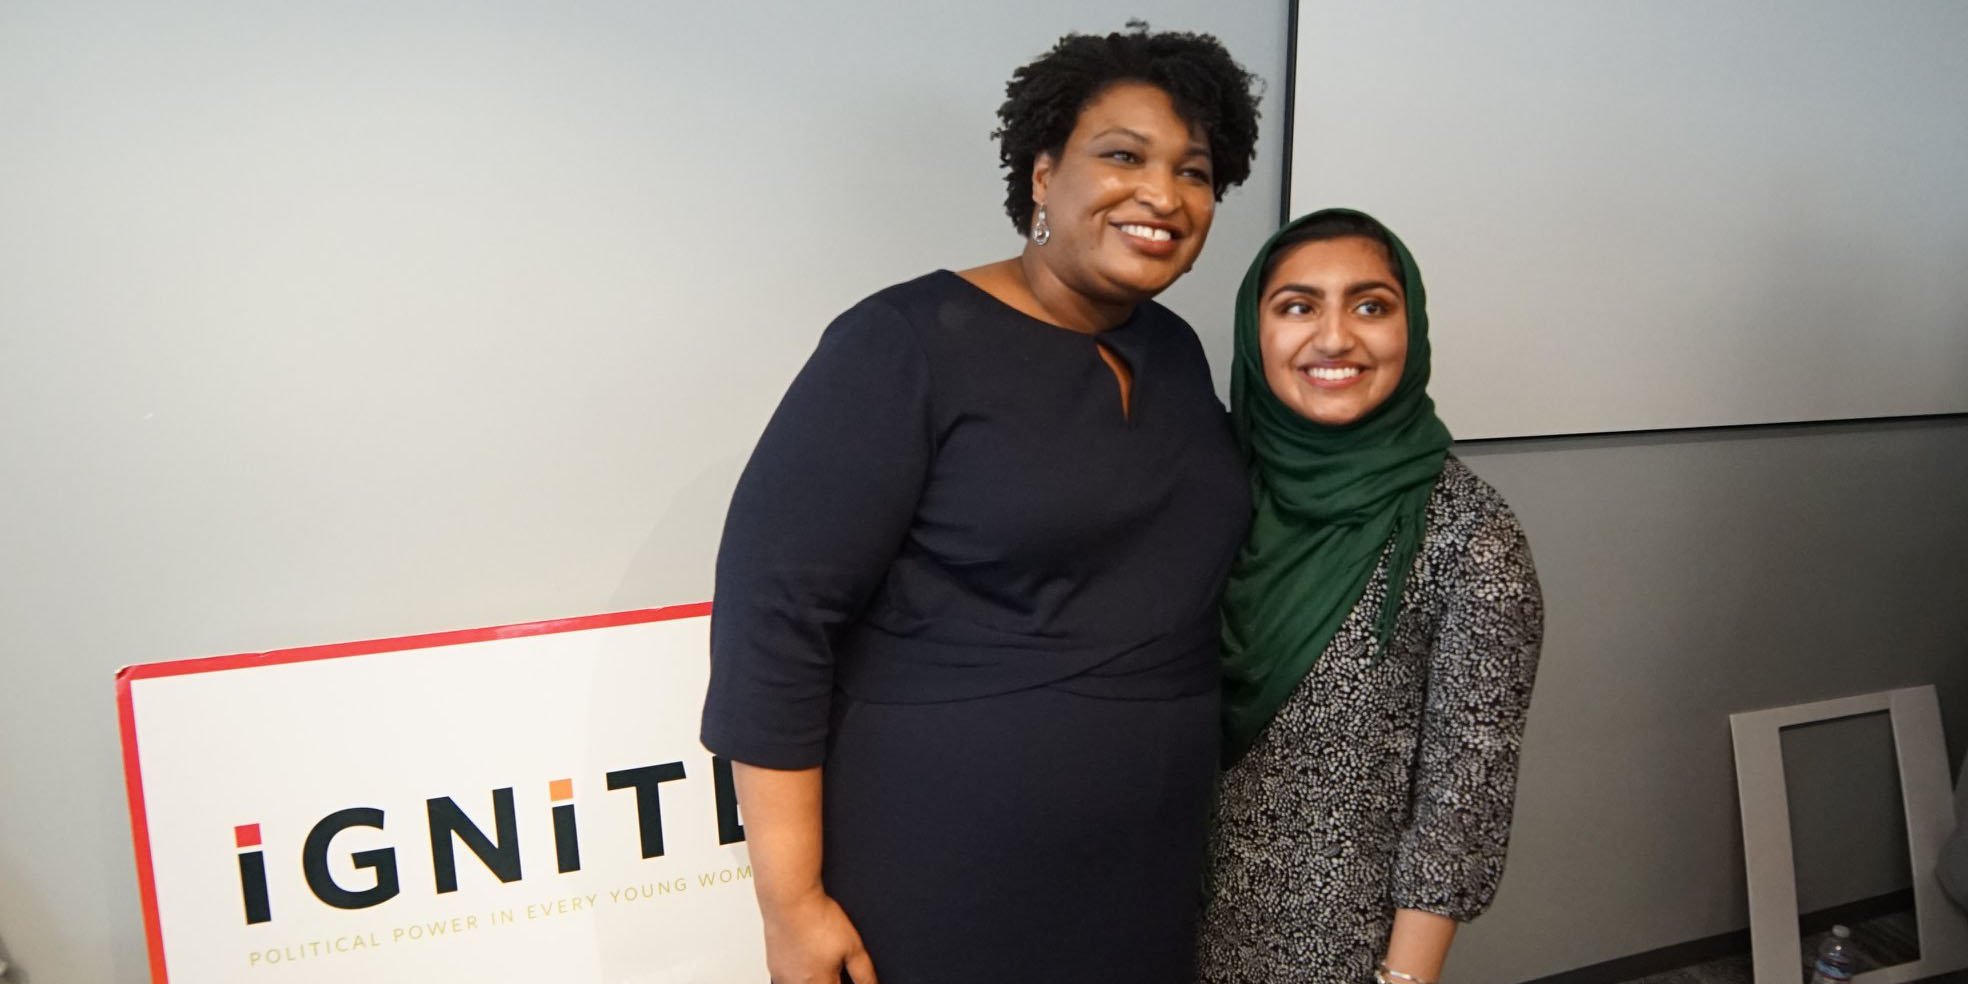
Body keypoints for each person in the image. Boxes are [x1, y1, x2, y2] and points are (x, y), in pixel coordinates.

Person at [699, 26, 1262, 984]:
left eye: (1196, 171)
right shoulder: (902, 344)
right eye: (1122, 155)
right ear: (1043, 174)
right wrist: (790, 906)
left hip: (1151, 857)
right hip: (947, 859)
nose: (1165, 195)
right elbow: (775, 620)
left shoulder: (1173, 352)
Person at [1197, 209, 1545, 984]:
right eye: (1296, 306)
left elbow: (1462, 803)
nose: (1334, 338)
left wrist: (1404, 980)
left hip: (1329, 957)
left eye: (1370, 305)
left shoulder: (1466, 535)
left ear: (1410, 326)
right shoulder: (1202, 492)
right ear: (1255, 332)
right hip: (1145, 922)